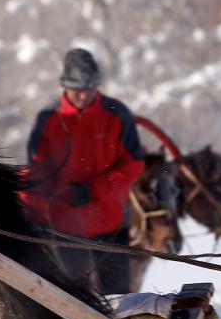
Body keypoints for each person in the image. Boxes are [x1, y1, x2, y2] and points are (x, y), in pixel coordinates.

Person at [23, 48, 144, 295]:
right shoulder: (48, 118)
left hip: (112, 224)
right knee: (73, 299)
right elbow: (37, 172)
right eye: (77, 88)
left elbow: (133, 165)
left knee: (117, 299)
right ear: (64, 85)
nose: (83, 94)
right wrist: (27, 205)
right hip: (65, 226)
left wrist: (93, 190)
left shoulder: (117, 113)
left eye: (89, 87)